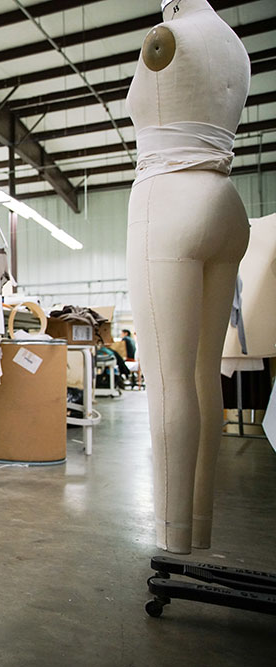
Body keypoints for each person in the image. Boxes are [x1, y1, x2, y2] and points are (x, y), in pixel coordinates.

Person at [126, 0, 250, 553]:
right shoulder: (234, 45)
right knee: (204, 372)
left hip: (169, 200)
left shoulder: (167, 34)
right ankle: (198, 526)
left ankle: (173, 537)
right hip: (226, 203)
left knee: (169, 378)